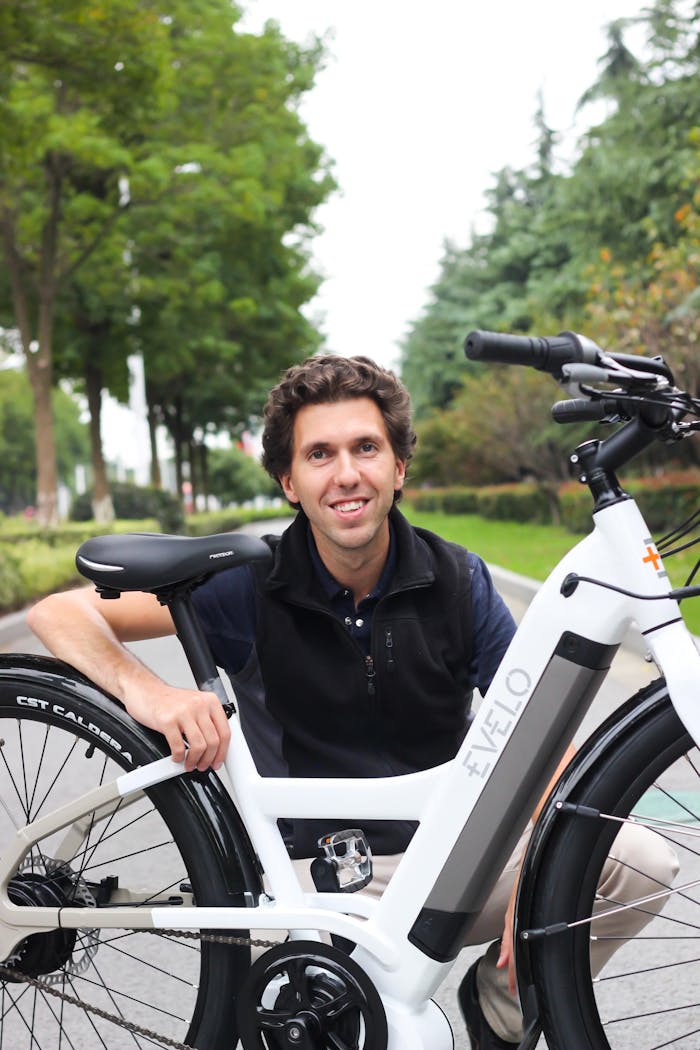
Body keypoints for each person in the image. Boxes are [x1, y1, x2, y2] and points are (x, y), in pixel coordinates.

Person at [28, 354, 678, 1049]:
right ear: (289, 482)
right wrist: (152, 694)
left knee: (638, 862)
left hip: (450, 865)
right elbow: (59, 614)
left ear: (398, 467)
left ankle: (501, 1008)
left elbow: (539, 735)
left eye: (366, 448)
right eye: (320, 454)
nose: (346, 474)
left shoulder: (459, 580)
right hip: (311, 882)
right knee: (351, 1029)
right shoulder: (250, 585)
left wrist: (544, 863)